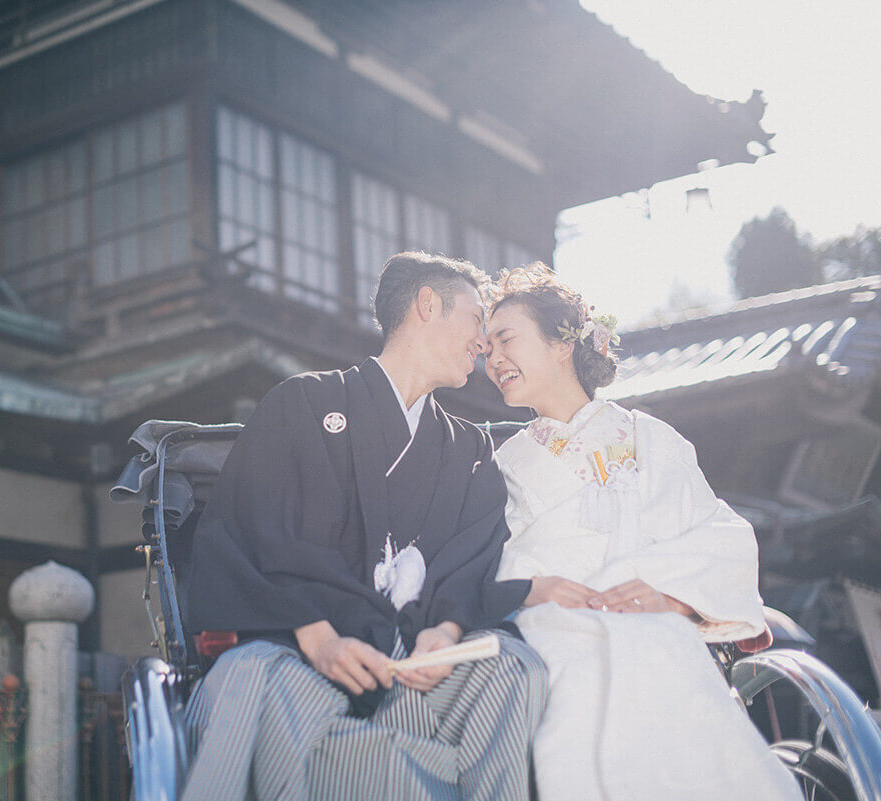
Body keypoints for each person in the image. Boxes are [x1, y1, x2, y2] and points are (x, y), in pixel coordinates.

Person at [182, 251, 548, 801]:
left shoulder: (469, 447)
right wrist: (316, 634)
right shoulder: (302, 403)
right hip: (307, 653)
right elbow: (248, 530)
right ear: (428, 305)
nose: (484, 345)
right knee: (254, 677)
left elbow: (477, 554)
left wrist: (444, 632)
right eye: (476, 321)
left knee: (512, 668)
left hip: (419, 664)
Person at [480, 262, 802, 801]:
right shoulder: (503, 463)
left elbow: (720, 533)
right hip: (560, 632)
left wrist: (673, 594)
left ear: (562, 344)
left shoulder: (651, 439)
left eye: (504, 339)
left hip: (656, 622)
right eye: (486, 348)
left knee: (665, 664)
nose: (492, 359)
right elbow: (506, 564)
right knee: (579, 688)